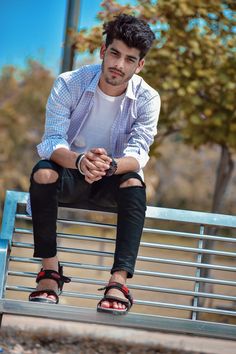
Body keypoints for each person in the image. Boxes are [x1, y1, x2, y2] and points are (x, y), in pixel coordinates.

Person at [28, 13, 160, 315]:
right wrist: (80, 160)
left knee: (134, 182)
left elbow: (139, 153)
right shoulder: (68, 83)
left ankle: (118, 282)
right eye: (114, 54)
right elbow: (52, 142)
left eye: (129, 59)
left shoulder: (148, 98)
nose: (118, 65)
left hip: (113, 180)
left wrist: (110, 166)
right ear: (103, 51)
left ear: (139, 65)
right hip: (69, 174)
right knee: (44, 172)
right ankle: (50, 272)